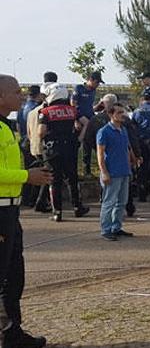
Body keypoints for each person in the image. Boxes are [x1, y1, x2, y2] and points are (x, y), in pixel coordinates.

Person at [0, 74, 52, 348]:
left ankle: (12, 333)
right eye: (15, 91)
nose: (21, 96)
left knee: (14, 275)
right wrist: (25, 176)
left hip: (10, 212)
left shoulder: (6, 126)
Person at [38, 84, 91, 221]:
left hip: (53, 149)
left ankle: (57, 212)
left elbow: (41, 132)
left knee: (54, 181)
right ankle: (77, 207)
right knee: (72, 179)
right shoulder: (72, 110)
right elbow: (86, 123)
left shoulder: (46, 112)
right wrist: (79, 138)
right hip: (70, 147)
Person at [97, 103, 135, 242]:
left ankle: (116, 227)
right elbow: (100, 154)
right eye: (119, 113)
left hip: (124, 170)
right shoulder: (104, 132)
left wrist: (132, 161)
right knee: (109, 201)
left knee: (121, 202)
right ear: (111, 115)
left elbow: (127, 148)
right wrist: (104, 172)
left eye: (123, 112)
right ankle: (106, 229)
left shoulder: (123, 130)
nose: (122, 115)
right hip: (112, 171)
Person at [71, 71, 103, 177]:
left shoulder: (93, 92)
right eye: (97, 83)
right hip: (80, 118)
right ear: (91, 80)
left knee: (91, 144)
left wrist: (98, 106)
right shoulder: (79, 88)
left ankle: (90, 169)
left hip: (90, 118)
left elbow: (89, 107)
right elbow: (73, 105)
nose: (97, 85)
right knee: (80, 146)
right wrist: (76, 120)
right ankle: (80, 170)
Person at [18, 85, 43, 207]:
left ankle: (25, 198)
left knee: (27, 170)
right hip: (32, 142)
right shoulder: (36, 109)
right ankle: (34, 199)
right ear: (38, 94)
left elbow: (18, 126)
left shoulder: (21, 108)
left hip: (23, 140)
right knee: (36, 171)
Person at [26, 92, 50, 213]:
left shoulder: (31, 112)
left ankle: (33, 200)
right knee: (47, 175)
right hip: (44, 147)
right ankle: (40, 202)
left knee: (38, 174)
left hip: (34, 146)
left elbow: (28, 132)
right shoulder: (46, 112)